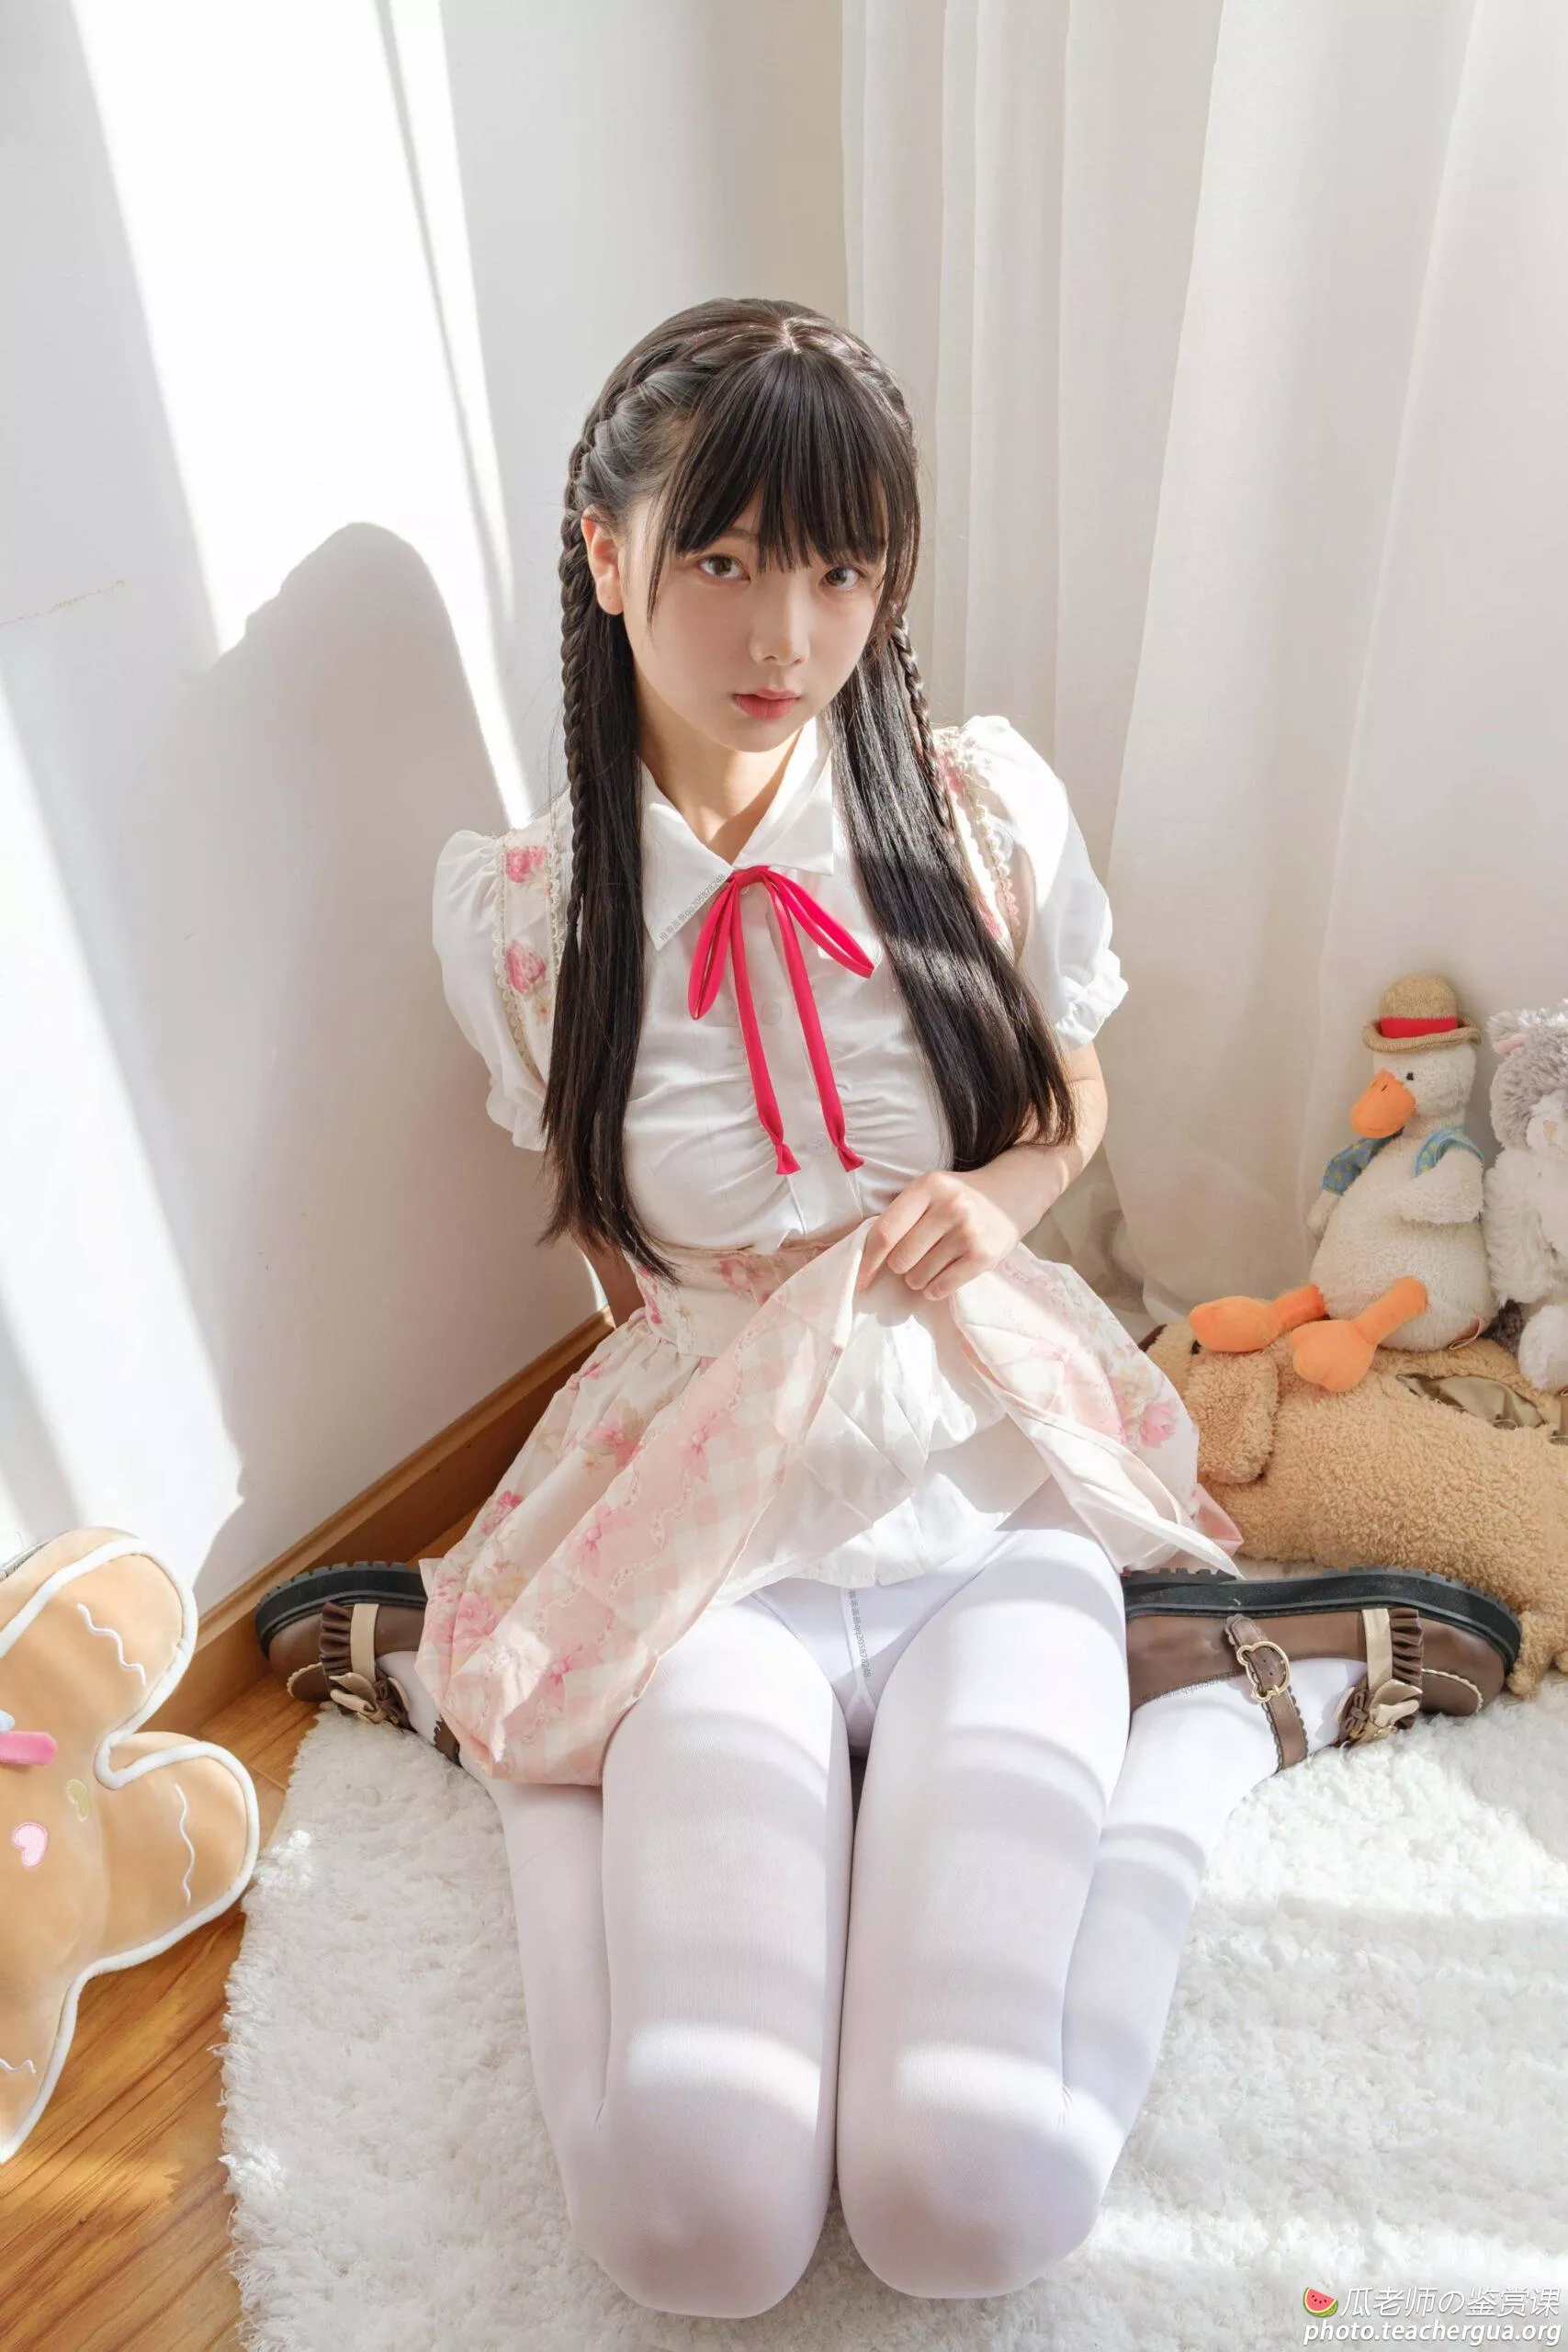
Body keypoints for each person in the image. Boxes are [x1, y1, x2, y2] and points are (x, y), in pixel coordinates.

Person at [287, 299, 1504, 2317]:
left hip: (984, 1507)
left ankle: (1230, 1714)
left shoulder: (974, 812)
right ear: (606, 556)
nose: (787, 632)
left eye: (841, 569)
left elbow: (1069, 1092)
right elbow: (607, 1236)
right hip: (712, 1548)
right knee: (692, 2225)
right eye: (724, 557)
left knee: (968, 2198)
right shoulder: (525, 915)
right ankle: (484, 1718)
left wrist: (996, 1194)